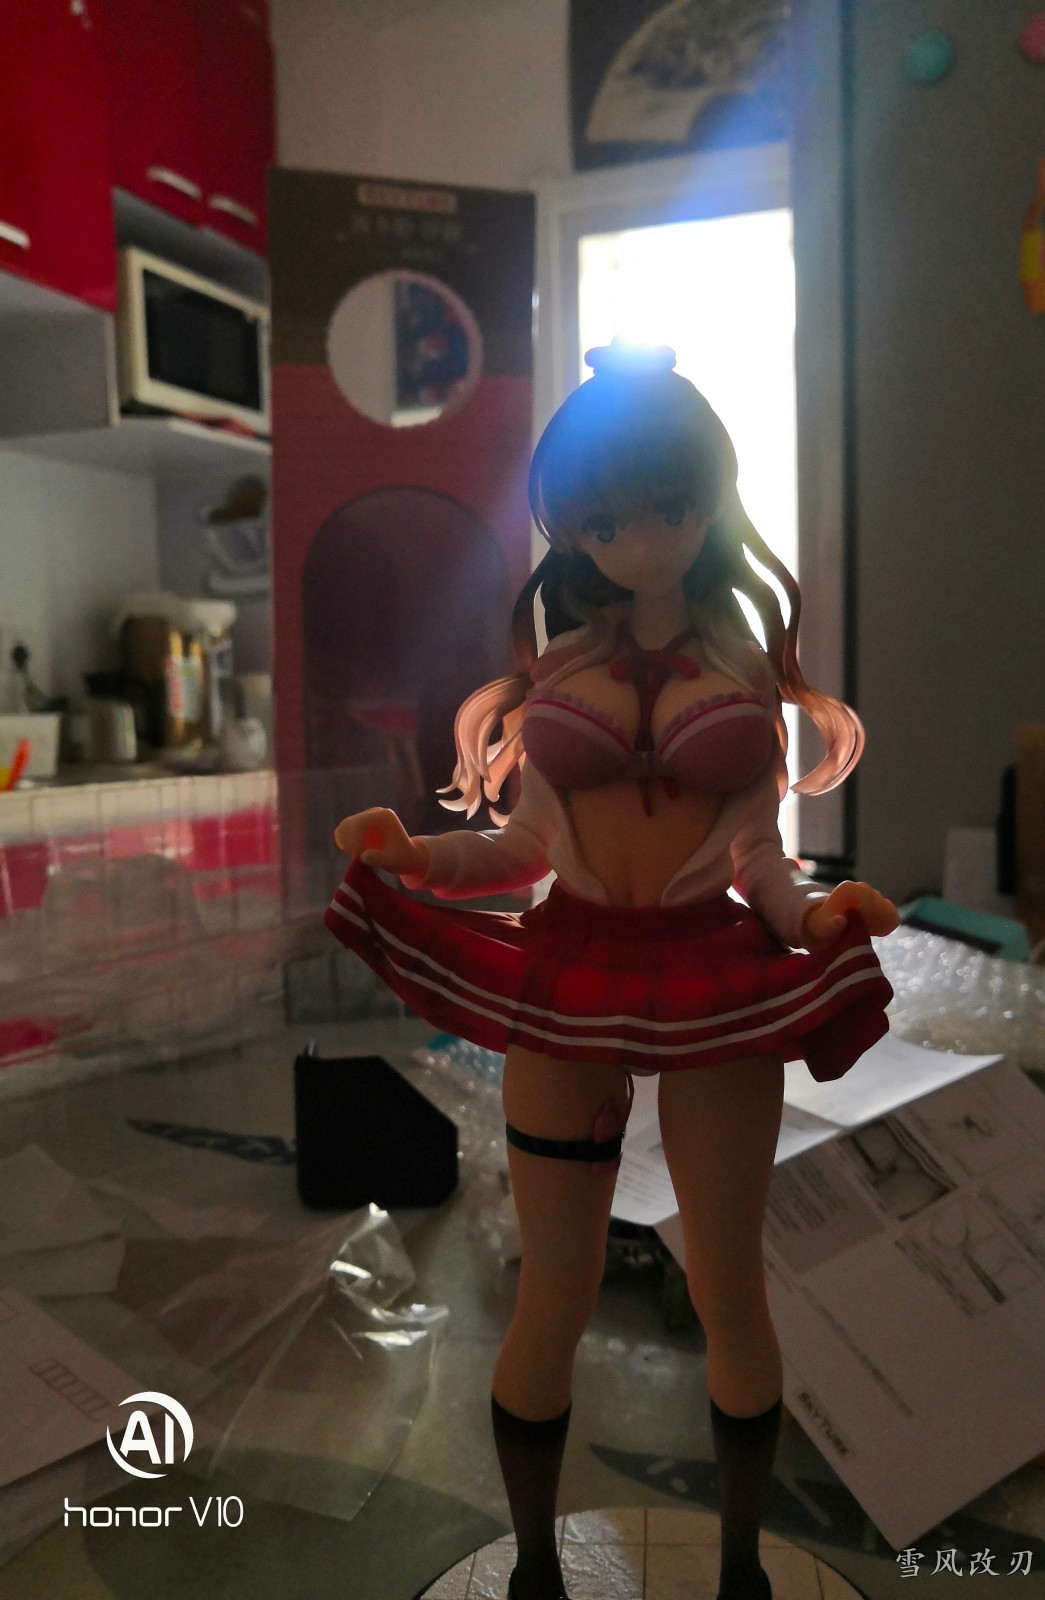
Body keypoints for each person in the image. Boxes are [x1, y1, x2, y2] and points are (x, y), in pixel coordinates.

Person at [327, 341, 898, 1600]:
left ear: (710, 499)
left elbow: (761, 858)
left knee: (729, 1284)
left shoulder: (742, 669)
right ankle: (534, 1568)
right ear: (571, 527)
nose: (635, 538)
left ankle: (741, 1570)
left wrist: (818, 918)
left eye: (665, 506)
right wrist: (411, 854)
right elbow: (520, 849)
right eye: (601, 518)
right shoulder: (564, 672)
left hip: (713, 977)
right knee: (556, 1287)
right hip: (570, 974)